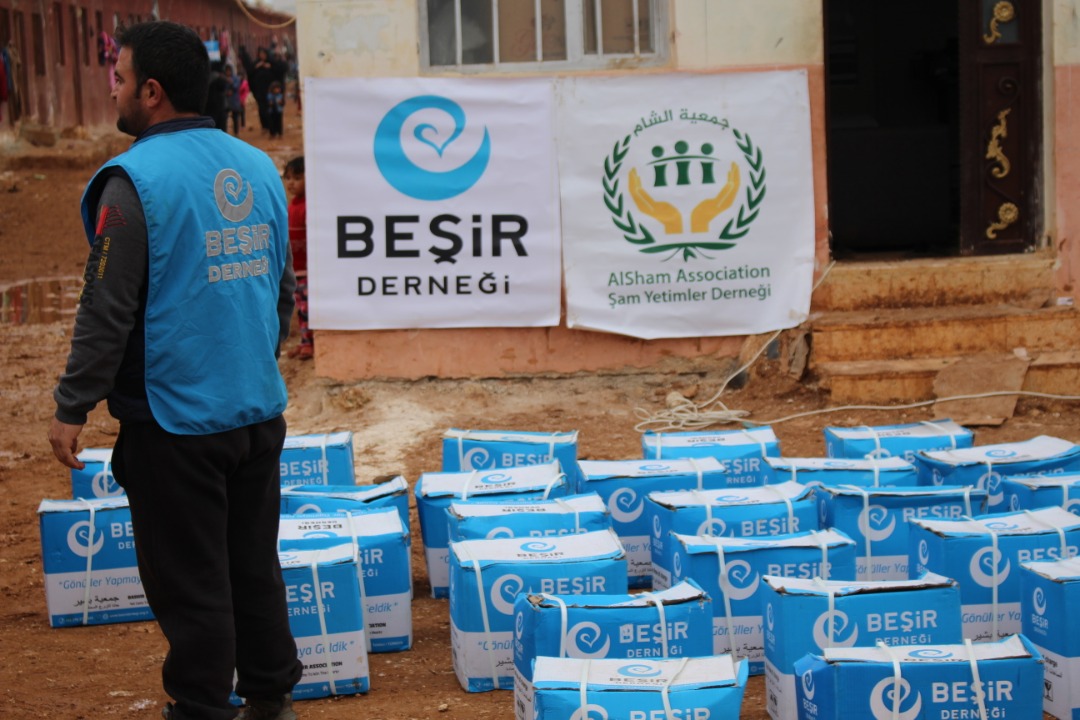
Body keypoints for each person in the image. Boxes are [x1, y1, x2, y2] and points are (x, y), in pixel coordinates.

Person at [46, 20, 301, 720]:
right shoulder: (257, 168)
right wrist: (249, 364)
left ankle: (200, 707)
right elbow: (279, 290)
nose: (114, 90)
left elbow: (106, 306)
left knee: (190, 581)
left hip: (175, 422)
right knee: (253, 565)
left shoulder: (134, 183)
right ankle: (272, 696)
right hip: (256, 413)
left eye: (121, 78)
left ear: (152, 91)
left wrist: (73, 405)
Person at [283, 157, 311, 359]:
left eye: (298, 178)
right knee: (300, 307)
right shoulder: (291, 206)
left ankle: (311, 343)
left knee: (307, 307)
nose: (291, 183)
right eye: (288, 178)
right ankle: (304, 341)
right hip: (296, 269)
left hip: (309, 270)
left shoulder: (310, 207)